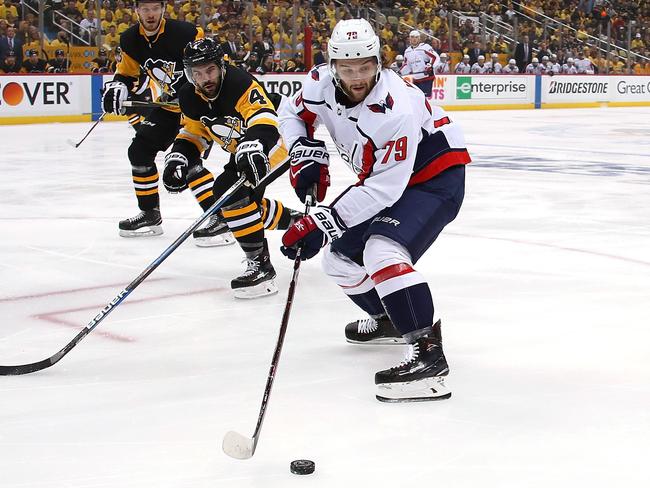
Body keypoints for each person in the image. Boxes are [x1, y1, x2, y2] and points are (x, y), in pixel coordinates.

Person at [278, 19, 471, 402]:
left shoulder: (395, 107)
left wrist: (323, 221)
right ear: (333, 65)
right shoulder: (319, 81)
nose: (356, 77)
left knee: (381, 249)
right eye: (347, 68)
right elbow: (291, 112)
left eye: (365, 66)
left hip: (434, 176)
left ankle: (428, 359)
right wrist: (303, 149)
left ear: (377, 62)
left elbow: (385, 188)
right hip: (388, 178)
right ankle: (391, 320)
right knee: (338, 260)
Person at [166, 37, 298, 298]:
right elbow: (195, 133)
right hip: (243, 149)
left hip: (277, 140)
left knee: (229, 192)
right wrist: (179, 156)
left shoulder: (239, 82)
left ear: (221, 66)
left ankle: (261, 268)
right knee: (240, 205)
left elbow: (263, 118)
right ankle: (300, 223)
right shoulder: (188, 96)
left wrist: (255, 143)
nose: (206, 78)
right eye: (198, 73)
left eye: (210, 70)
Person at [101, 0, 231, 245]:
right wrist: (119, 84)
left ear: (163, 9)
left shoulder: (186, 33)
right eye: (145, 9)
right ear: (136, 10)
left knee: (188, 159)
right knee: (139, 151)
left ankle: (220, 216)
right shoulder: (130, 39)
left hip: (197, 104)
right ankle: (150, 214)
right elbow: (127, 73)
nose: (151, 14)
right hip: (170, 104)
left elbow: (211, 67)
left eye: (155, 9)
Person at [400, 30, 439, 97]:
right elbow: (407, 65)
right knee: (417, 98)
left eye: (416, 37)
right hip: (416, 79)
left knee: (424, 98)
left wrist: (430, 66)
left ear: (419, 38)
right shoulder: (407, 51)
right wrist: (400, 72)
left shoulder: (425, 47)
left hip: (426, 78)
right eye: (412, 37)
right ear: (409, 38)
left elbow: (435, 57)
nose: (414, 39)